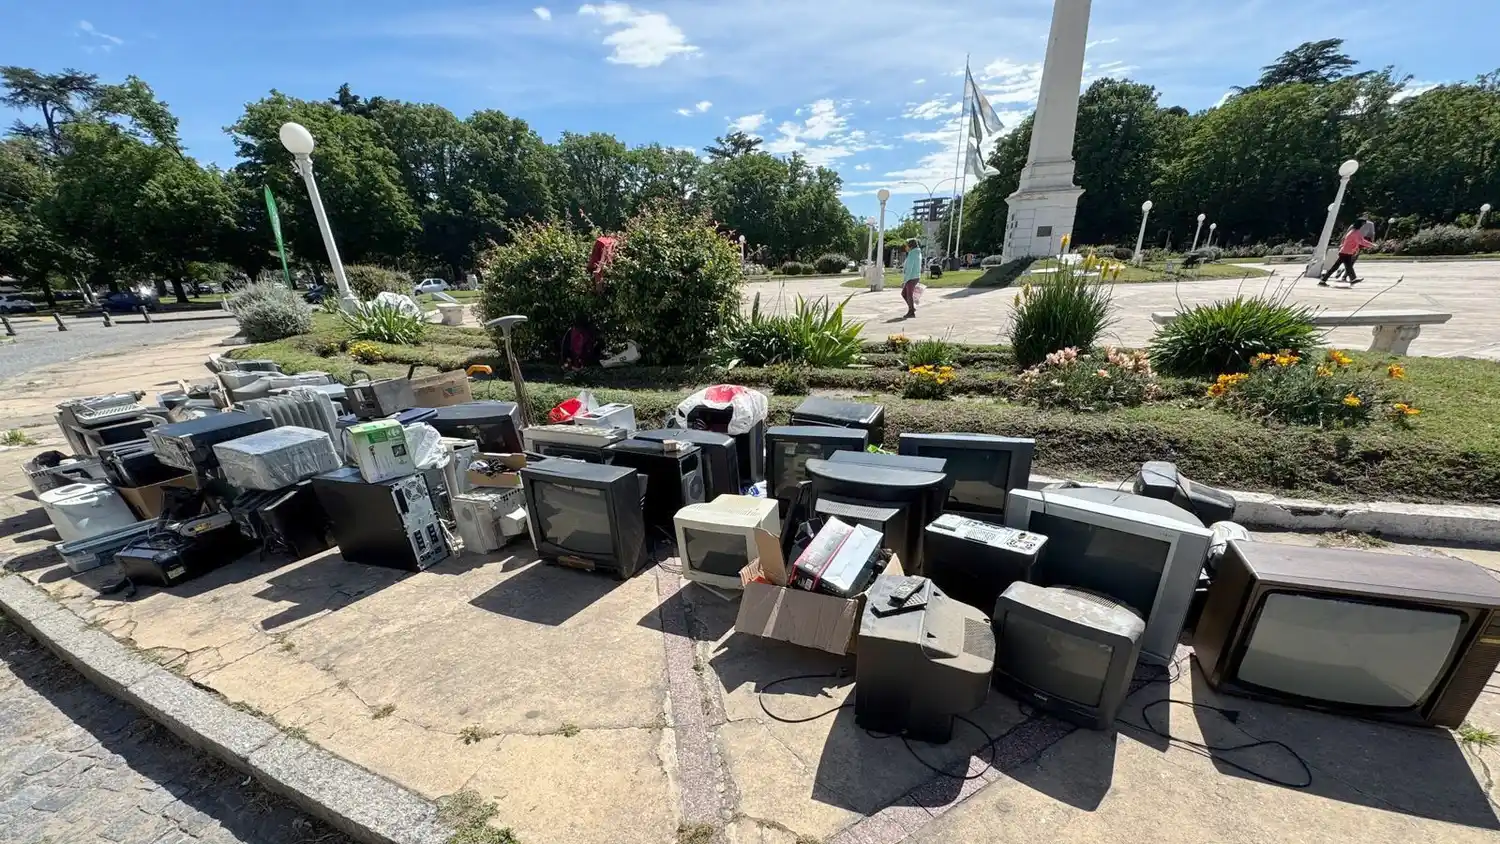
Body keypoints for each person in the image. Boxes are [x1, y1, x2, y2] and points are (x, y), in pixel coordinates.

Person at [1320, 220, 1374, 286]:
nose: (1363, 226)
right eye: (1362, 224)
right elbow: (1361, 241)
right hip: (1345, 252)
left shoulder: (1353, 231)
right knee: (1337, 267)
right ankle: (1323, 281)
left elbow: (1360, 241)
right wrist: (1371, 245)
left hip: (1346, 252)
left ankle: (1353, 279)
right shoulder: (1356, 233)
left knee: (1348, 267)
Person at [900, 238, 923, 318]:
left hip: (911, 277)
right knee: (904, 294)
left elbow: (910, 268)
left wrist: (905, 281)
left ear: (910, 246)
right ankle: (912, 308)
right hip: (915, 276)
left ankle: (911, 312)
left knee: (908, 294)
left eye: (907, 245)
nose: (905, 247)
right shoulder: (916, 253)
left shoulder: (913, 254)